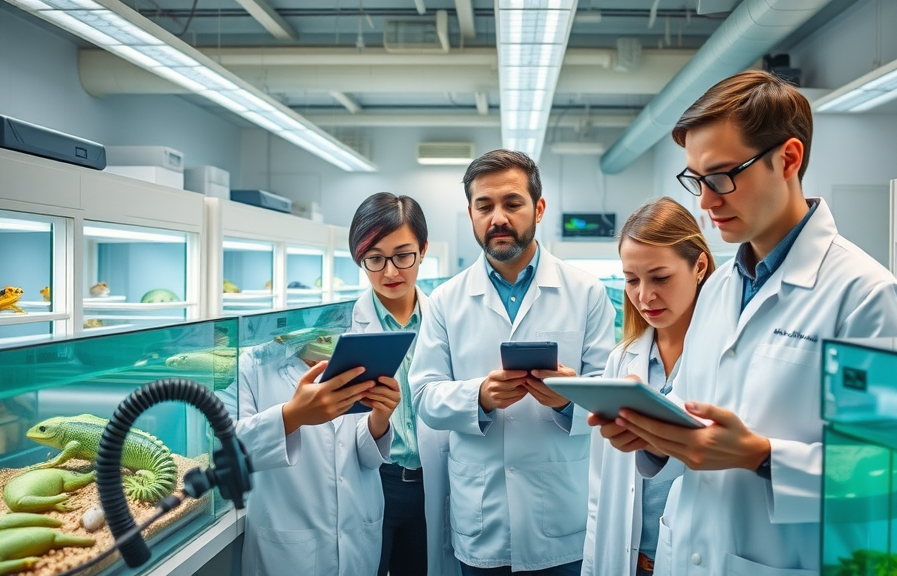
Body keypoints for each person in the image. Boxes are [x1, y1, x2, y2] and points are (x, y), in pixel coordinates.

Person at [593, 70, 897, 576]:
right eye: (696, 181)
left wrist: (763, 456)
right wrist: (656, 438)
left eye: (721, 177)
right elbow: (700, 423)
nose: (705, 202)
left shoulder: (865, 297)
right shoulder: (718, 290)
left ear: (788, 159)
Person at [409, 149, 616, 576]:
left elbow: (610, 397)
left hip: (561, 517)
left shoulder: (586, 292)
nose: (497, 218)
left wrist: (567, 399)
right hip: (483, 518)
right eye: (484, 206)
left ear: (538, 209)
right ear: (471, 213)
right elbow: (424, 398)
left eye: (512, 203)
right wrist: (480, 397)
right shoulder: (446, 301)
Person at [582, 197, 714, 576]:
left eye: (660, 278)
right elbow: (600, 489)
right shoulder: (622, 360)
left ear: (699, 266)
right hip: (627, 562)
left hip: (694, 560)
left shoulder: (721, 358)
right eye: (631, 279)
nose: (644, 296)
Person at [346, 192, 461, 576]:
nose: (390, 272)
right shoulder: (346, 329)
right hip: (378, 480)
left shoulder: (446, 319)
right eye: (375, 258)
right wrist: (377, 419)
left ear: (423, 250)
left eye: (403, 255)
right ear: (360, 258)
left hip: (436, 479)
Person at [233, 315, 399, 575]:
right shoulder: (251, 364)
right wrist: (291, 416)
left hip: (357, 536)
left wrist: (380, 419)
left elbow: (367, 458)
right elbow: (230, 450)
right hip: (287, 548)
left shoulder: (352, 356)